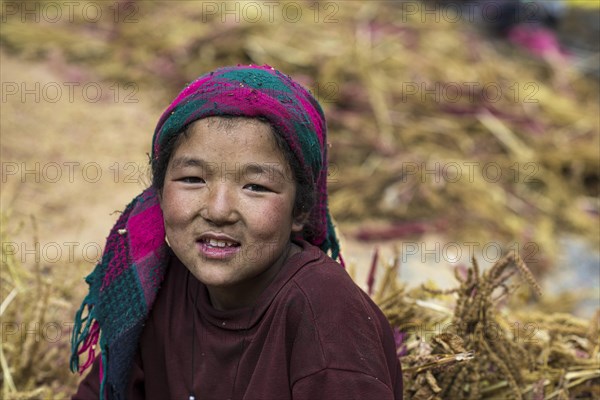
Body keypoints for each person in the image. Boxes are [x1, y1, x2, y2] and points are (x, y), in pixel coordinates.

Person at [71, 65, 403, 399]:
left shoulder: (324, 311)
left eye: (255, 186)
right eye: (192, 179)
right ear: (158, 192)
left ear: (300, 209)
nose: (217, 210)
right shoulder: (156, 284)